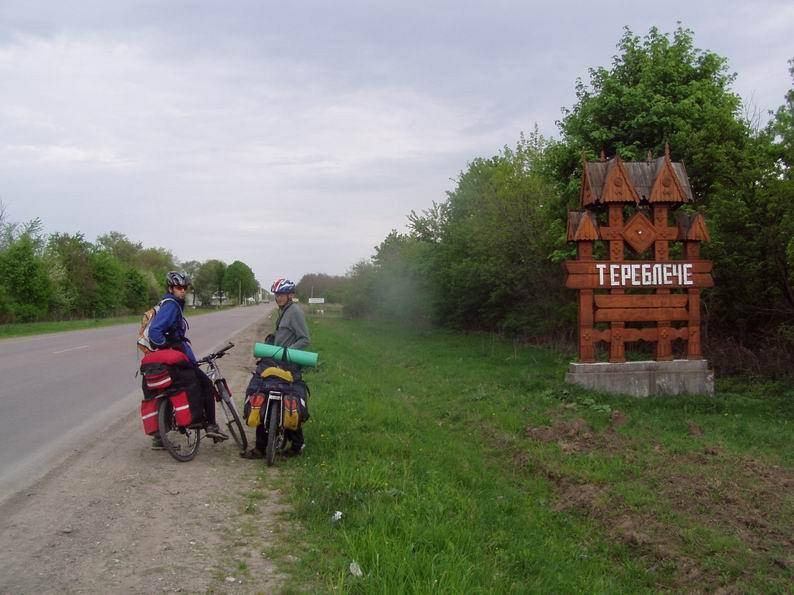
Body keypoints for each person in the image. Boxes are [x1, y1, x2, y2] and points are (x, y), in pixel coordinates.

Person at [149, 271, 228, 448]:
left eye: (184, 287)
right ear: (170, 288)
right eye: (178, 287)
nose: (182, 290)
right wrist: (168, 346)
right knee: (206, 384)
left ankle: (159, 437)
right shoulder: (171, 305)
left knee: (170, 390)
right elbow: (155, 331)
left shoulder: (167, 303)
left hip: (171, 358)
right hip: (175, 358)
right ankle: (211, 425)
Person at [241, 277, 310, 459]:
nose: (278, 297)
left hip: (288, 363)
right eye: (277, 294)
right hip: (277, 361)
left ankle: (296, 445)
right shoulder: (284, 311)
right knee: (261, 391)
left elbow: (304, 338)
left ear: (290, 295)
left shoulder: (294, 312)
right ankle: (261, 447)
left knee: (290, 396)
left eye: (282, 294)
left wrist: (288, 352)